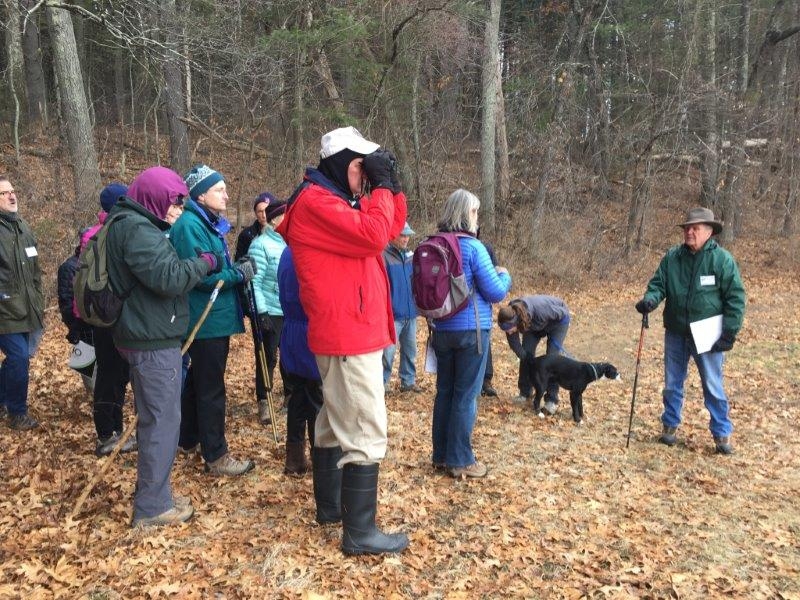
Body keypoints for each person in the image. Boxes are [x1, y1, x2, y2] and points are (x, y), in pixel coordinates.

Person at [275, 126, 409, 555]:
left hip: (349, 330)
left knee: (334, 424)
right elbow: (373, 234)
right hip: (348, 333)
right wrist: (381, 187)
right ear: (340, 164)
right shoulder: (316, 203)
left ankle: (332, 509)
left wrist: (391, 188)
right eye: (360, 167)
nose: (364, 176)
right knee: (366, 428)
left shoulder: (334, 201)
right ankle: (360, 533)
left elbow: (388, 229)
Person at [105, 166, 219, 527]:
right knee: (162, 422)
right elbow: (169, 278)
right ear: (152, 197)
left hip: (145, 334)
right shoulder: (137, 230)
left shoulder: (131, 224)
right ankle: (153, 507)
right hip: (150, 341)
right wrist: (203, 262)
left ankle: (156, 493)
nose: (177, 210)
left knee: (156, 418)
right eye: (172, 202)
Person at [635, 207, 745, 455]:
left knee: (712, 384)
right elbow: (658, 284)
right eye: (687, 228)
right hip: (676, 330)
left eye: (695, 228)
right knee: (672, 382)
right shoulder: (673, 257)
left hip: (708, 334)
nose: (689, 232)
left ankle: (722, 434)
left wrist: (729, 332)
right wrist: (650, 300)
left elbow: (736, 298)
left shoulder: (721, 260)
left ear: (709, 232)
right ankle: (669, 426)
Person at [170, 164, 255, 477]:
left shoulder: (205, 224)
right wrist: (239, 273)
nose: (226, 194)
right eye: (219, 189)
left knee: (197, 383)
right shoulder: (190, 226)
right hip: (204, 319)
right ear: (201, 194)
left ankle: (188, 438)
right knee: (211, 388)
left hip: (213, 318)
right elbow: (200, 276)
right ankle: (216, 455)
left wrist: (236, 269)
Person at [430, 189, 511, 479]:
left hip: (440, 330)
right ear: (467, 214)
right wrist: (505, 274)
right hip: (471, 332)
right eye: (475, 211)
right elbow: (496, 291)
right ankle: (461, 459)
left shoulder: (433, 243)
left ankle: (441, 455)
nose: (477, 217)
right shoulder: (473, 248)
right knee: (466, 395)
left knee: (445, 392)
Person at [81, 183, 137, 457]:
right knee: (110, 374)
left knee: (117, 375)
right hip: (108, 316)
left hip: (107, 315)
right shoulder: (105, 235)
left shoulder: (105, 232)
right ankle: (106, 434)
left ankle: (116, 429)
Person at [0, 176, 44, 430]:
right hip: (5, 311)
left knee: (19, 358)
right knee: (18, 358)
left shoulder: (23, 227)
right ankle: (17, 413)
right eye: (4, 193)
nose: (12, 195)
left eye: (13, 191)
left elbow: (35, 268)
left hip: (27, 308)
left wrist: (38, 296)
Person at [278, 247, 322, 475]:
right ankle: (319, 457)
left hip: (291, 334)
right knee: (315, 399)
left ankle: (294, 460)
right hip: (308, 333)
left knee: (296, 398)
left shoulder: (288, 251)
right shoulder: (307, 252)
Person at [248, 197, 288, 423]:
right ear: (275, 220)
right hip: (269, 311)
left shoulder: (289, 242)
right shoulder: (260, 245)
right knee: (268, 357)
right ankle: (265, 401)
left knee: (289, 357)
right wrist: (261, 312)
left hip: (289, 311)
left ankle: (290, 398)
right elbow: (254, 281)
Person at [497, 295, 571, 414]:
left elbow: (563, 314)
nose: (508, 333)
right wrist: (525, 356)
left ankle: (552, 399)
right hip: (534, 327)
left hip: (558, 322)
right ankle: (525, 392)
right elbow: (516, 346)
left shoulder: (540, 310)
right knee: (526, 352)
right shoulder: (509, 315)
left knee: (552, 358)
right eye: (505, 330)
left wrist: (554, 335)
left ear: (516, 322)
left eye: (509, 329)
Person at [382, 222, 420, 393]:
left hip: (411, 312)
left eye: (407, 235)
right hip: (392, 315)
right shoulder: (384, 256)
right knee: (388, 353)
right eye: (402, 235)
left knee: (410, 350)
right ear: (393, 236)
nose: (406, 239)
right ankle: (382, 383)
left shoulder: (412, 257)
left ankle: (408, 381)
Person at [57, 229, 95, 392]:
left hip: (96, 322)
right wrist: (73, 326)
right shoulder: (68, 267)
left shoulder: (97, 264)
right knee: (85, 363)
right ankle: (91, 394)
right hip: (79, 323)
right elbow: (65, 299)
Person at [234, 193, 272, 261]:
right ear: (255, 213)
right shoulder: (246, 235)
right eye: (260, 211)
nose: (264, 215)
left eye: (267, 210)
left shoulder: (283, 233)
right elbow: (238, 263)